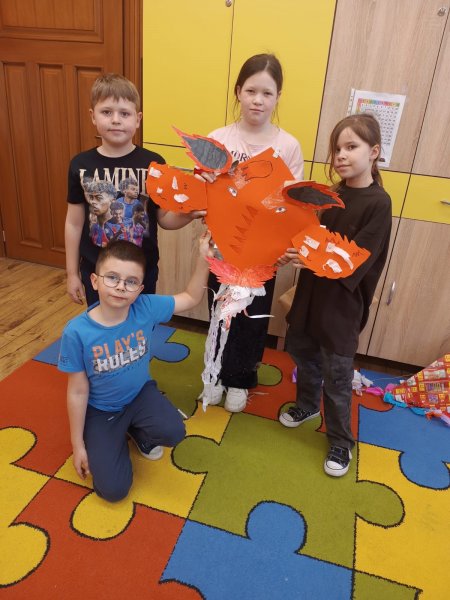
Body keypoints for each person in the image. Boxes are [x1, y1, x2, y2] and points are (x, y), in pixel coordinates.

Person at [58, 232, 214, 502]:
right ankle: (114, 435)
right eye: (112, 277)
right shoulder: (76, 332)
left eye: (131, 282)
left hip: (140, 395)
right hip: (102, 411)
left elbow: (191, 297)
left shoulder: (145, 307)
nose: (121, 287)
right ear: (94, 281)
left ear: (140, 289)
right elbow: (77, 391)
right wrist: (78, 445)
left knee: (174, 431)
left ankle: (139, 432)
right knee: (113, 491)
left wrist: (204, 259)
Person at [278, 113, 392, 477]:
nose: (341, 155)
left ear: (373, 151)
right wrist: (293, 249)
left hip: (341, 306)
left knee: (338, 376)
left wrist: (311, 256)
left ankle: (341, 441)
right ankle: (308, 404)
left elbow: (357, 257)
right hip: (311, 297)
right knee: (302, 352)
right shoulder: (331, 196)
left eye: (351, 147)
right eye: (337, 149)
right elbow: (309, 236)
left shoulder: (378, 203)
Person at [200, 53, 304, 413]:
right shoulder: (218, 139)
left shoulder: (288, 145)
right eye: (251, 91)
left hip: (262, 252)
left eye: (267, 93)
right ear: (238, 92)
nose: (258, 100)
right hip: (222, 248)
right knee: (219, 312)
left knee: (252, 317)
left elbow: (292, 204)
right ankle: (213, 374)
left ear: (278, 97)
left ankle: (240, 379)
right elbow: (204, 192)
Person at [65, 73, 205, 307]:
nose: (116, 120)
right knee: (102, 324)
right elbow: (74, 223)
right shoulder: (80, 165)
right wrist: (71, 273)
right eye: (106, 112)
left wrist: (188, 214)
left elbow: (164, 218)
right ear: (93, 116)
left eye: (125, 113)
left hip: (141, 272)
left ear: (138, 119)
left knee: (140, 326)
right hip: (97, 272)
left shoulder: (154, 164)